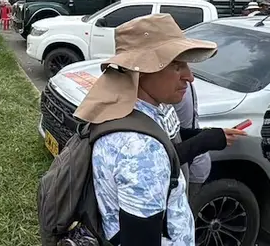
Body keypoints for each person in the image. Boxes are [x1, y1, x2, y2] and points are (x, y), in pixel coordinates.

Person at [74, 13, 220, 246]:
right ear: (139, 71)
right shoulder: (140, 149)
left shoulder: (120, 110)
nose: (189, 77)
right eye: (176, 65)